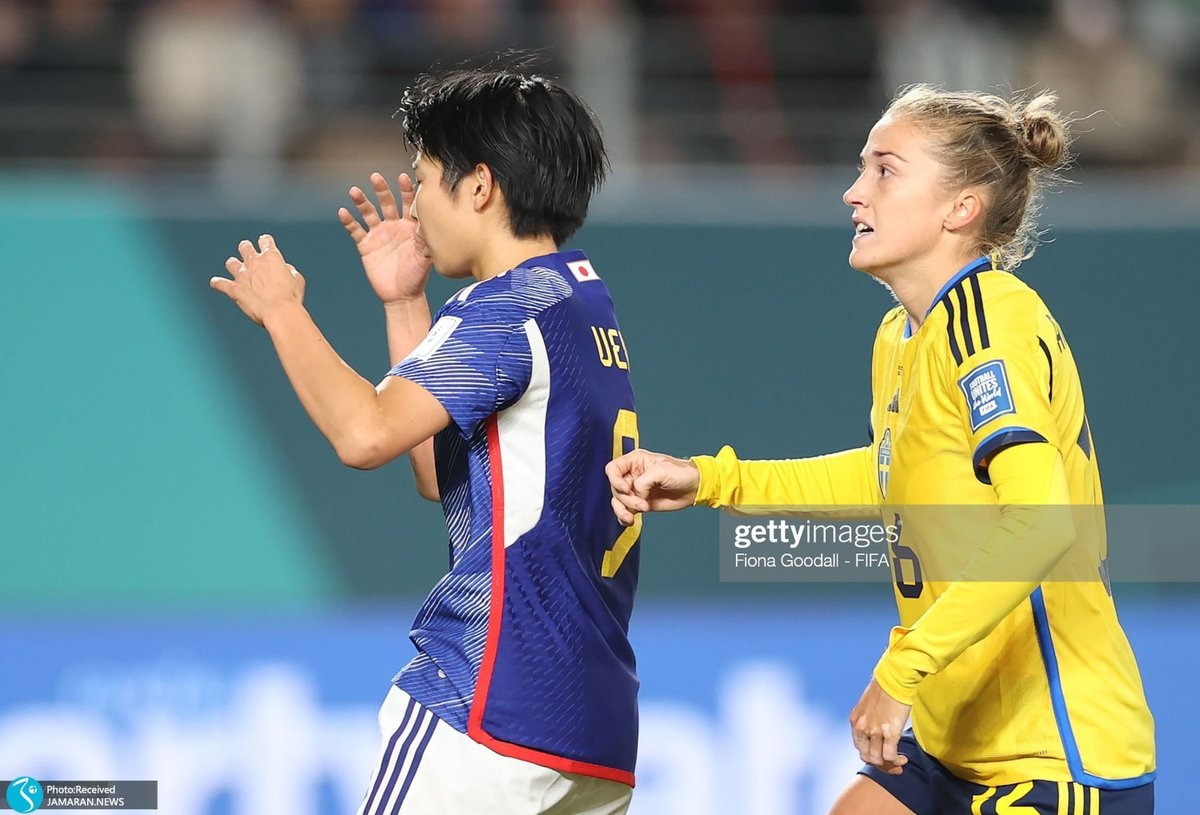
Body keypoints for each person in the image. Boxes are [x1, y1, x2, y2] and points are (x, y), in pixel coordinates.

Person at [607, 85, 1155, 814]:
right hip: (956, 743)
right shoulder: (903, 333)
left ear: (960, 207)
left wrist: (902, 671)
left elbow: (1042, 521)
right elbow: (893, 473)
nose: (854, 192)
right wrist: (710, 479)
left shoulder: (991, 326)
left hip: (1055, 755)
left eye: (885, 170)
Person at [211, 63, 640, 815]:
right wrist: (405, 304)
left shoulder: (505, 309)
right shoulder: (578, 298)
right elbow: (437, 474)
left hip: (487, 707)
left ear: (480, 187)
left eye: (426, 178)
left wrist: (282, 311)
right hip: (589, 733)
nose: (414, 203)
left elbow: (363, 434)